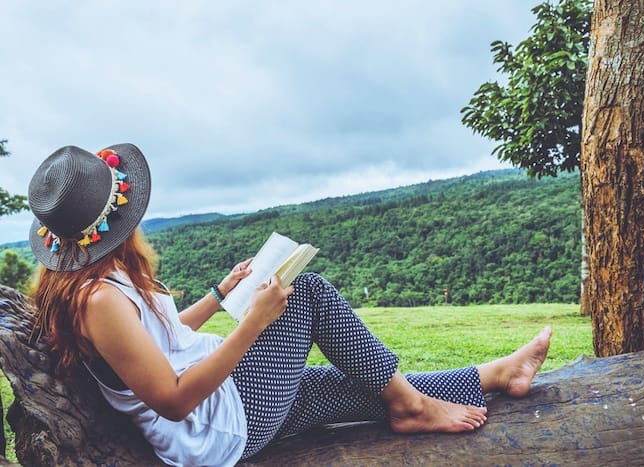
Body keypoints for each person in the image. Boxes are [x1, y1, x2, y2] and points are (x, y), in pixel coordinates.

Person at [28, 143, 552, 466]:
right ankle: (413, 406)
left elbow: (158, 344)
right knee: (311, 292)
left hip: (227, 407)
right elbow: (172, 398)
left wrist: (218, 296)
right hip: (218, 424)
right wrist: (253, 322)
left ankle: (496, 375)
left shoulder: (97, 281)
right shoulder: (98, 300)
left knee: (353, 382)